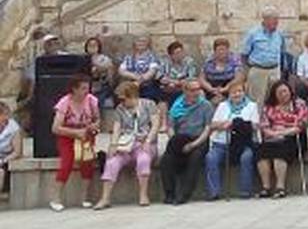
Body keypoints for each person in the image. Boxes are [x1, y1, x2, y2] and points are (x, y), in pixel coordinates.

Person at [95, 80, 161, 209]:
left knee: (143, 159)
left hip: (143, 142)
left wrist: (148, 141)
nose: (122, 102)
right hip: (126, 144)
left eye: (124, 99)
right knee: (112, 162)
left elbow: (155, 125)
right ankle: (105, 198)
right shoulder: (120, 109)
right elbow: (117, 128)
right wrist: (113, 144)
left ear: (132, 96)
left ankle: (143, 195)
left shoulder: (149, 104)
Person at [49, 75, 100, 211]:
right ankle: (56, 198)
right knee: (67, 163)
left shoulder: (92, 101)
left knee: (87, 163)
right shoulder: (64, 102)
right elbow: (55, 128)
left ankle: (85, 198)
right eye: (83, 88)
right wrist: (75, 133)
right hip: (67, 136)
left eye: (87, 88)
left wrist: (93, 127)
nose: (86, 91)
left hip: (85, 135)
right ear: (74, 89)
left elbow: (97, 119)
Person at [159, 79, 213, 205]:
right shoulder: (177, 106)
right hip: (180, 138)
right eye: (193, 90)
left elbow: (207, 129)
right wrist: (174, 140)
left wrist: (193, 145)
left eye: (198, 89)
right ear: (185, 91)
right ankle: (169, 194)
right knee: (166, 160)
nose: (196, 93)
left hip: (198, 139)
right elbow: (171, 127)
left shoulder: (206, 105)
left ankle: (184, 195)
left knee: (194, 159)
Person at [205, 78, 259, 199]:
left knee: (247, 157)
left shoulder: (252, 106)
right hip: (221, 143)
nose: (237, 94)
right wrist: (223, 124)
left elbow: (255, 125)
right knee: (211, 157)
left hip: (244, 143)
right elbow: (213, 124)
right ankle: (214, 192)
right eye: (234, 92)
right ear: (229, 94)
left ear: (244, 92)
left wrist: (237, 124)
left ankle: (245, 191)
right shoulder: (222, 106)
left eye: (239, 91)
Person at [256, 79, 308, 198]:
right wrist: (273, 134)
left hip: (293, 136)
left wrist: (283, 132)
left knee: (279, 151)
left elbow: (300, 125)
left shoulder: (299, 104)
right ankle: (266, 187)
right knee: (261, 152)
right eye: (279, 92)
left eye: (285, 91)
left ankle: (280, 187)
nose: (283, 95)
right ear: (274, 94)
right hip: (273, 136)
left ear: (290, 91)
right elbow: (264, 126)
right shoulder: (269, 107)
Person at [241, 7, 285, 103]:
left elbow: (282, 52)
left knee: (275, 99)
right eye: (274, 20)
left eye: (277, 19)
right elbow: (244, 54)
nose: (277, 22)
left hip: (274, 70)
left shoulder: (280, 34)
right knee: (257, 101)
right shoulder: (253, 34)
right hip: (258, 70)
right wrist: (248, 71)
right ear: (265, 20)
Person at [118, 36, 162, 103]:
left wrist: (139, 82)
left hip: (147, 86)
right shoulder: (128, 57)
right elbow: (121, 71)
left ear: (148, 44)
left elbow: (151, 72)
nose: (141, 43)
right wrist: (134, 76)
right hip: (130, 84)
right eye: (138, 41)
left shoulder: (152, 57)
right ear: (134, 43)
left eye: (143, 41)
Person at [159, 40, 197, 111]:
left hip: (184, 87)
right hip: (168, 87)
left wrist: (174, 82)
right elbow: (161, 78)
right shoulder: (165, 62)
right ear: (171, 55)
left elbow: (191, 78)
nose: (180, 55)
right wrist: (173, 82)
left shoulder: (189, 61)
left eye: (181, 52)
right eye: (177, 53)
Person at [85, 36, 116, 107]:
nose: (92, 47)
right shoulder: (82, 58)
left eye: (94, 45)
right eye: (90, 45)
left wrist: (93, 63)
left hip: (100, 85)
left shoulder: (104, 59)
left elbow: (107, 69)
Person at [0, 100, 22, 196]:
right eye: (4, 115)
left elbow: (17, 152)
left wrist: (3, 160)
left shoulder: (13, 127)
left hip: (5, 157)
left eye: (7, 114)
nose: (6, 117)